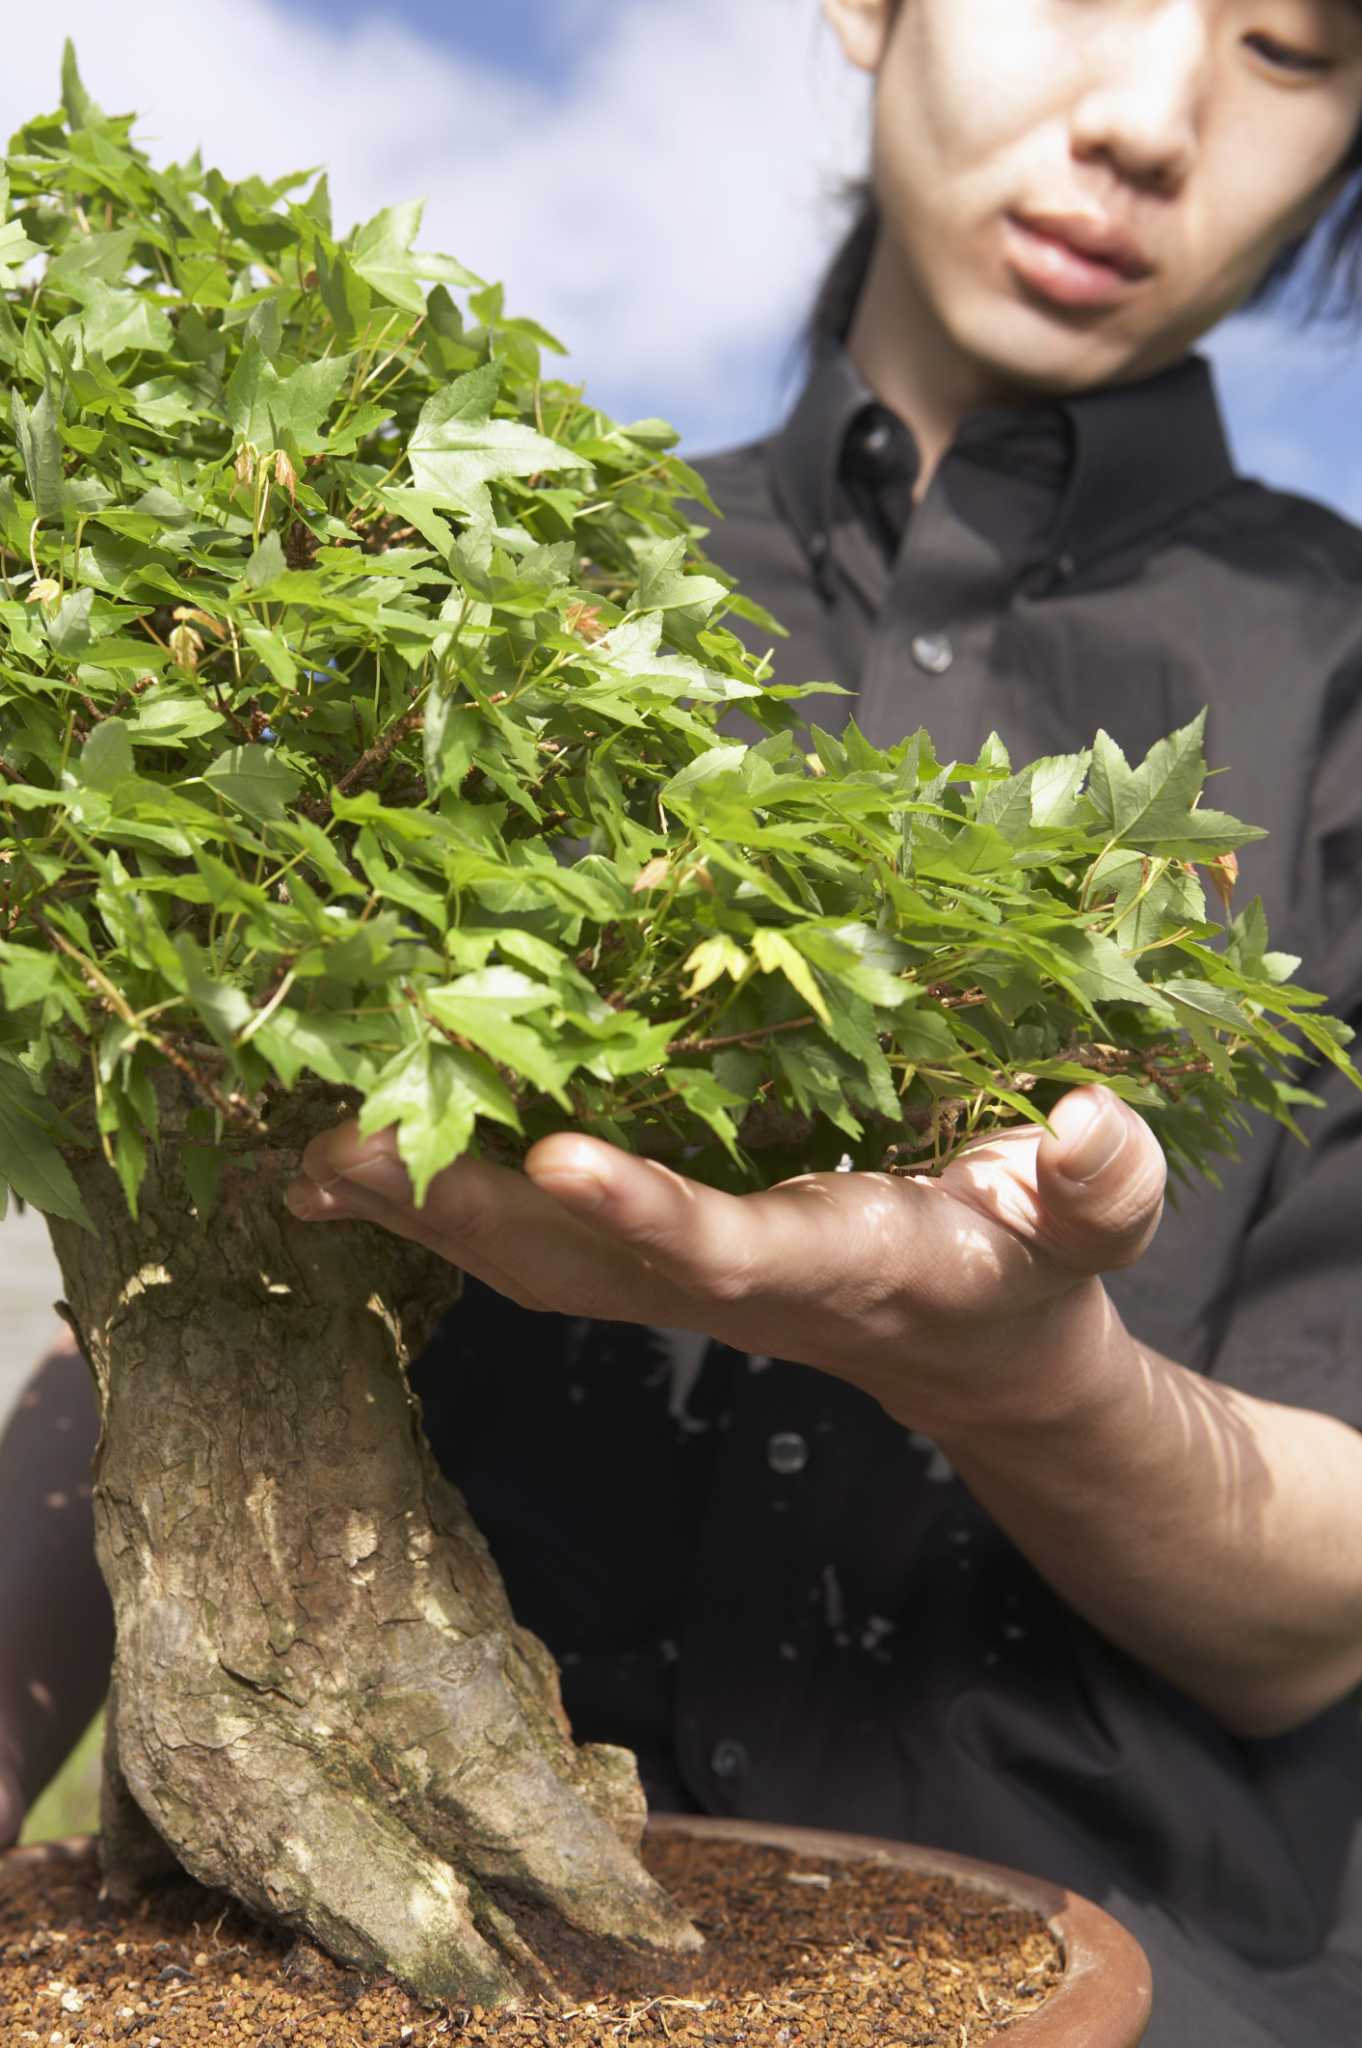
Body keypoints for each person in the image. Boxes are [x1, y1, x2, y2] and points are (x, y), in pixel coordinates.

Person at [3, 1, 1362, 2039]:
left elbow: (1315, 1620)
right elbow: (195, 1295)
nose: (1154, 119)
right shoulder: (477, 589)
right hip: (392, 1949)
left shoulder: (1331, 694)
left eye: (1288, 43)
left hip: (1141, 1982)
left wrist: (1025, 1374)